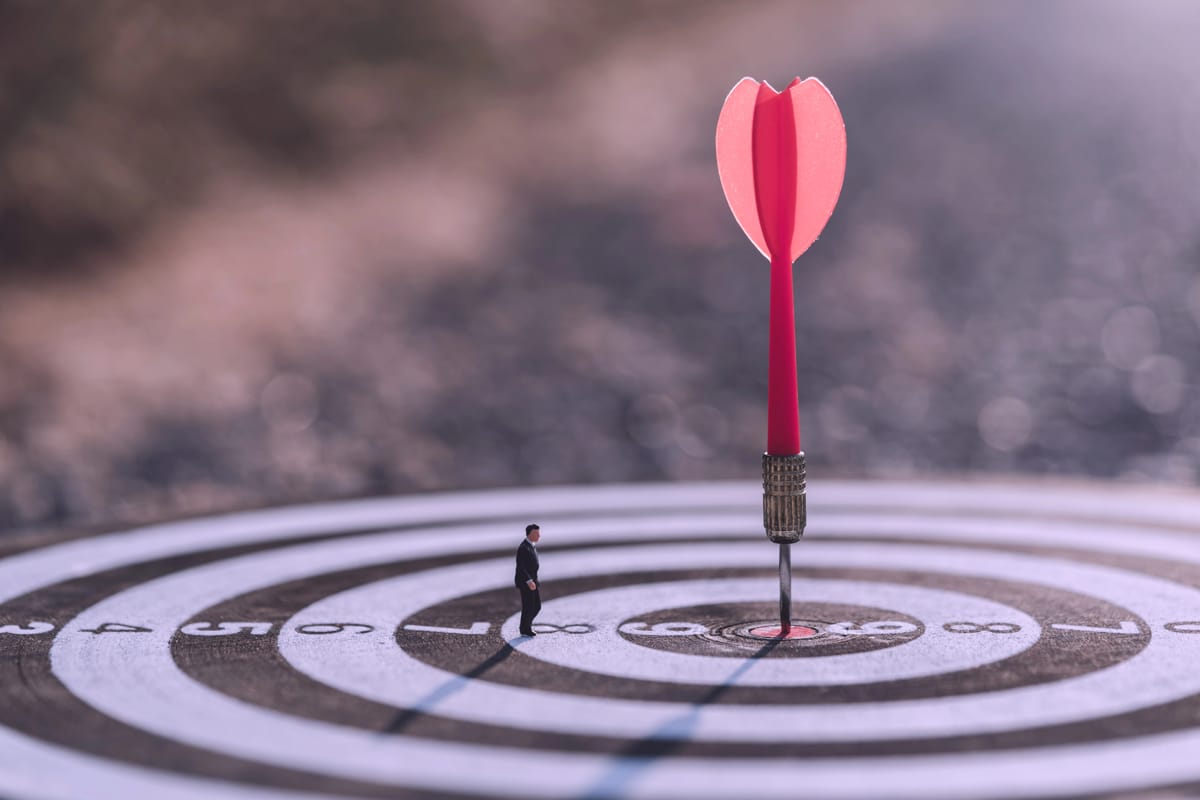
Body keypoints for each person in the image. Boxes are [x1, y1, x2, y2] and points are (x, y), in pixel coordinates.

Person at [514, 523, 541, 636]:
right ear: (530, 534)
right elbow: (521, 566)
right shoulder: (523, 547)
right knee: (529, 606)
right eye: (536, 533)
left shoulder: (531, 546)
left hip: (533, 581)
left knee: (536, 606)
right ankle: (525, 628)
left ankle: (525, 626)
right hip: (526, 583)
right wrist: (529, 581)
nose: (539, 536)